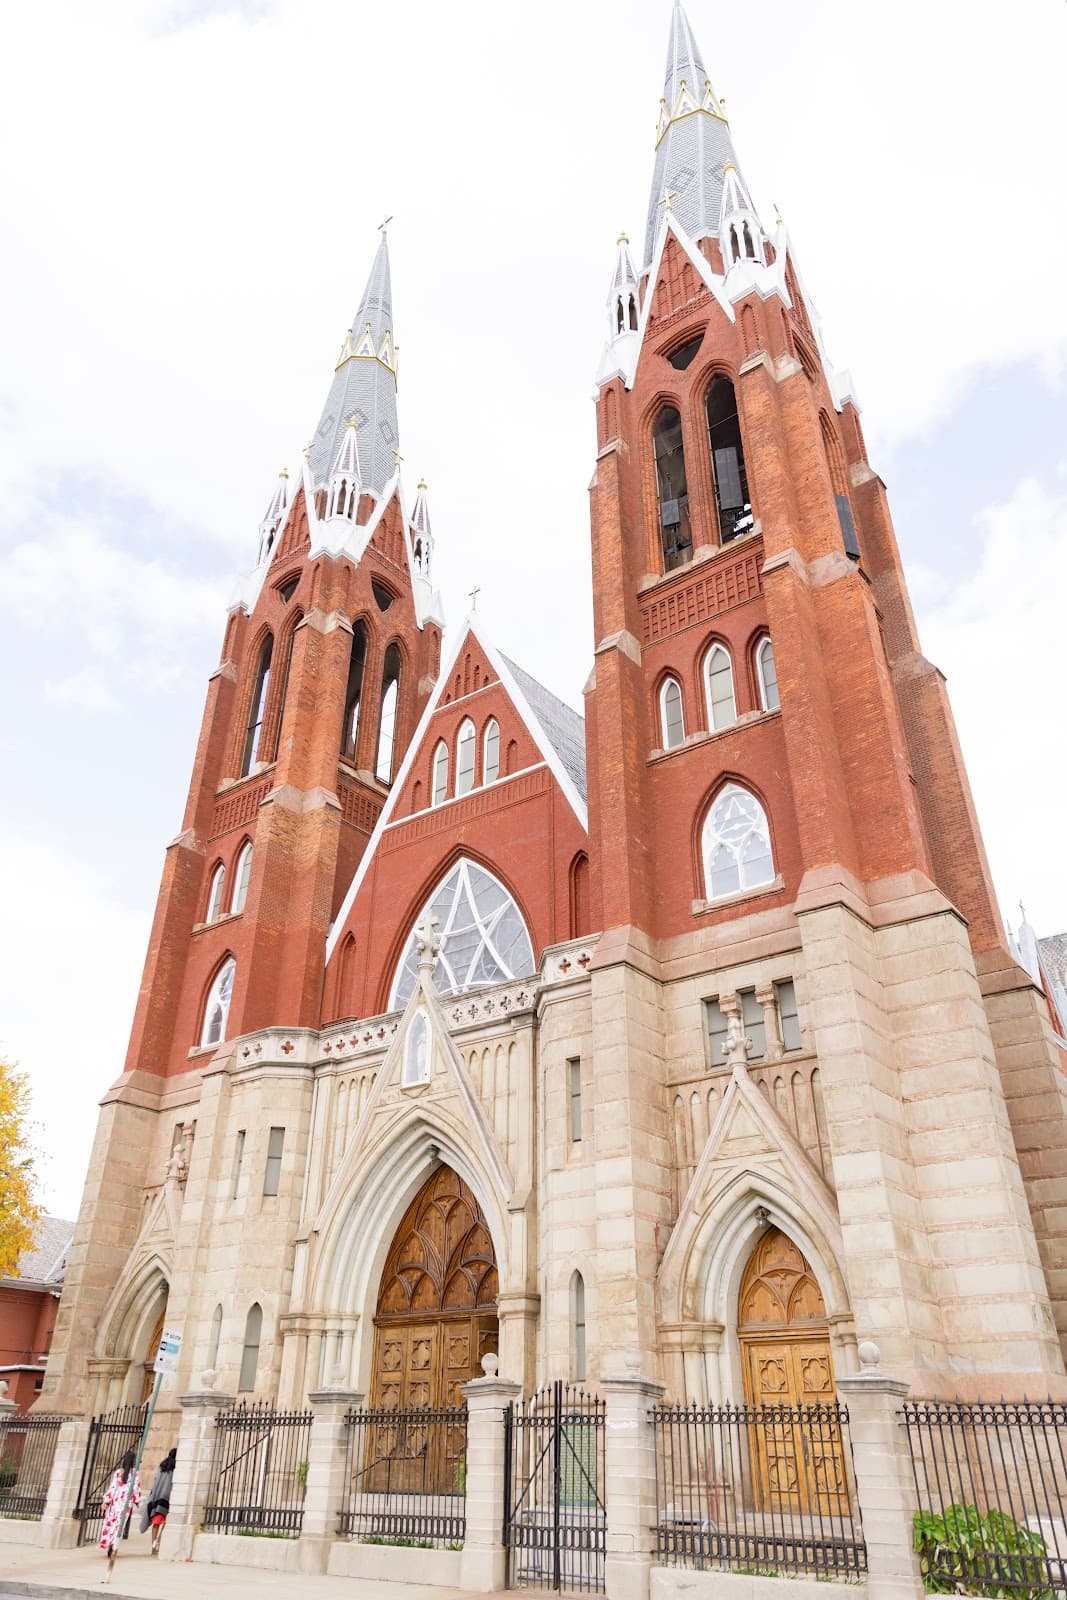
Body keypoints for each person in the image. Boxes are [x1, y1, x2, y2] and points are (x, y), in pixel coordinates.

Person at [99, 1449, 141, 1563]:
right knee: (119, 1526)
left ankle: (109, 1544)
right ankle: (114, 1544)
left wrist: (106, 1501)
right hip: (126, 1504)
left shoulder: (118, 1472)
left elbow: (112, 1488)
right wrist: (137, 1501)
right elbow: (135, 1489)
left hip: (115, 1502)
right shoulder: (135, 1473)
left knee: (110, 1523)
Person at [139, 1447, 176, 1556]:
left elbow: (156, 1480)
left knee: (156, 1522)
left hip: (157, 1497)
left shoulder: (162, 1466)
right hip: (168, 1498)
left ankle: (153, 1545)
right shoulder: (175, 1468)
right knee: (165, 1522)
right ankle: (159, 1541)